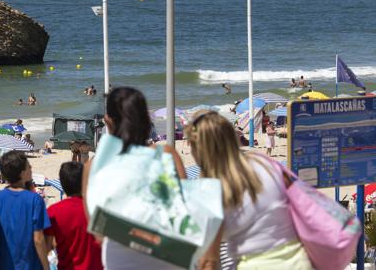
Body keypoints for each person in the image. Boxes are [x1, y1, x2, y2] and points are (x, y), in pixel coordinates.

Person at [186, 111, 311, 270]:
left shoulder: (213, 188)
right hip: (298, 261)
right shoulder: (267, 164)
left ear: (198, 148)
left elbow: (209, 261)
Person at [83, 87, 186, 270]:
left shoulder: (94, 167)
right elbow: (185, 213)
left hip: (120, 261)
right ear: (146, 120)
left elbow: (98, 232)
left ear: (108, 121)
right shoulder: (166, 155)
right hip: (168, 258)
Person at [0, 151, 50, 270]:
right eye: (28, 166)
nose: (31, 168)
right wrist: (46, 267)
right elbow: (38, 239)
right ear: (22, 172)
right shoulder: (35, 200)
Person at [45, 162, 103, 270]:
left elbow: (47, 247)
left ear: (62, 184)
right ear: (84, 182)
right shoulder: (96, 208)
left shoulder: (52, 212)